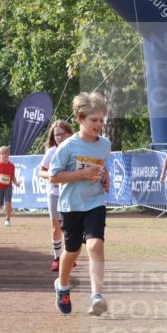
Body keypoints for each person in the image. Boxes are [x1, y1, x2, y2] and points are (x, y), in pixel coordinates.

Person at [49, 92, 112, 316]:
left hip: (95, 202)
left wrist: (105, 178)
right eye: (94, 120)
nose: (99, 124)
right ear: (80, 119)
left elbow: (103, 166)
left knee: (95, 245)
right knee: (72, 251)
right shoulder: (67, 146)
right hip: (71, 205)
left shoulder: (105, 144)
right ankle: (62, 285)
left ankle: (96, 296)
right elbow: (53, 177)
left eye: (101, 120)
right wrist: (83, 174)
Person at [39, 120, 75, 271]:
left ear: (69, 134)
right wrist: (53, 176)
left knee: (69, 227)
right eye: (55, 135)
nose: (58, 138)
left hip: (70, 194)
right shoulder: (51, 152)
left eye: (61, 134)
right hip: (54, 194)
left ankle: (69, 256)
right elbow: (41, 171)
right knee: (56, 227)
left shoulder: (75, 150)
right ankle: (57, 257)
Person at [0, 146, 21, 226]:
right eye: (2, 154)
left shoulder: (12, 165)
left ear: (9, 155)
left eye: (6, 154)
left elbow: (12, 176)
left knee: (8, 202)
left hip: (8, 186)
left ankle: (7, 219)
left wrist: (16, 183)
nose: (4, 155)